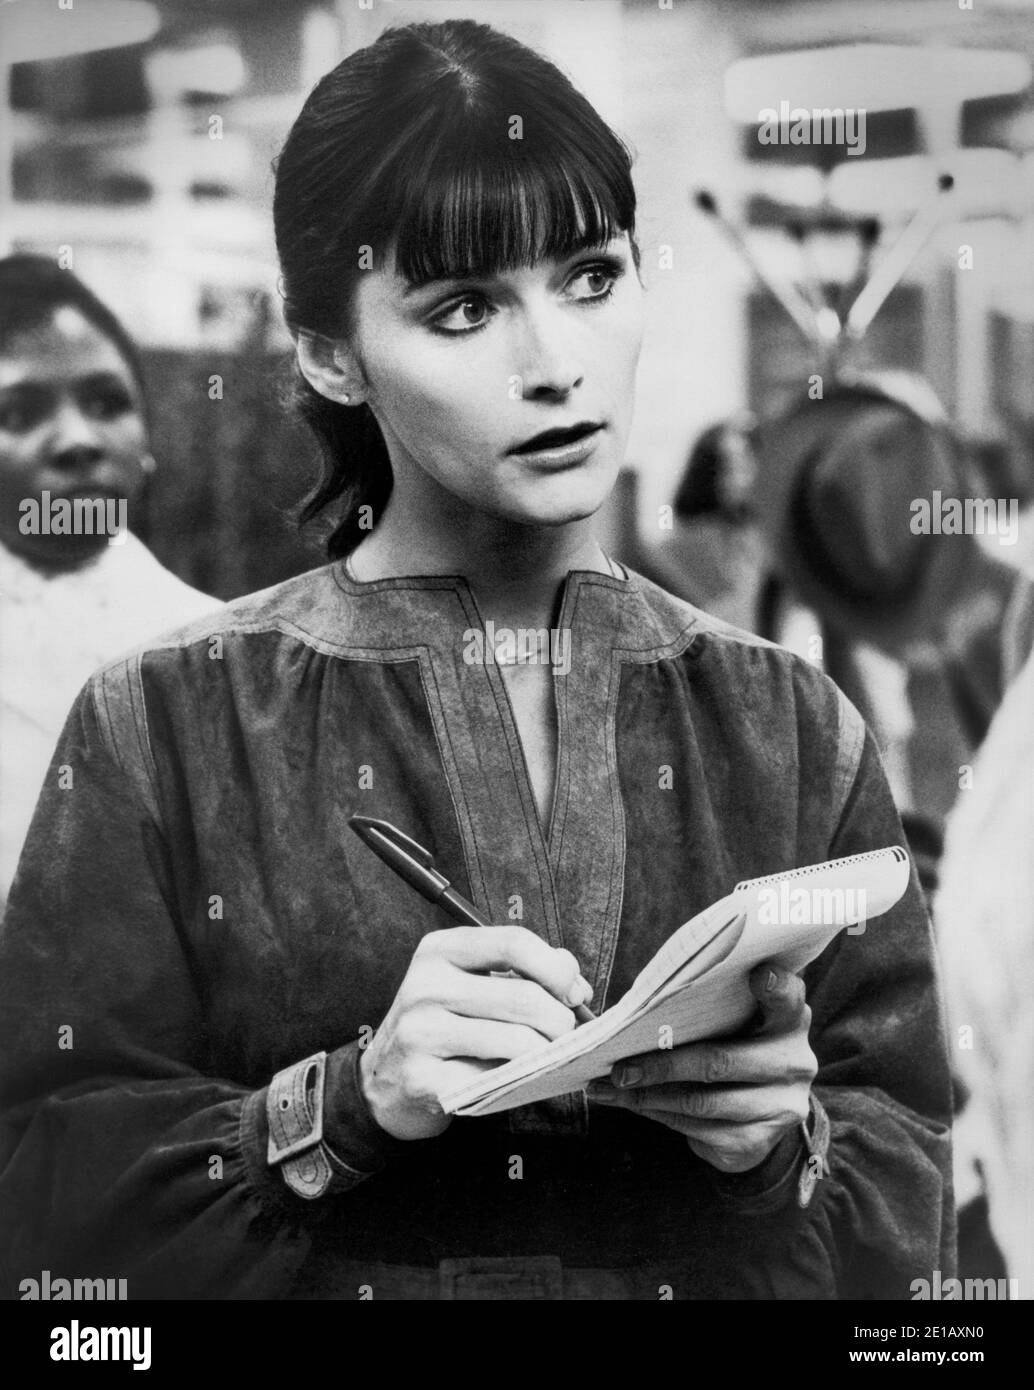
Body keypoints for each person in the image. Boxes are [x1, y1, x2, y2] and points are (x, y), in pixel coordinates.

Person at [0, 19, 952, 1301]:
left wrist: (783, 1153)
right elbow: (45, 1211)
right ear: (330, 353)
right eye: (462, 308)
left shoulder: (784, 721)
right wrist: (338, 1108)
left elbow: (915, 1205)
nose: (554, 363)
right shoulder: (164, 720)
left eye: (592, 276)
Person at [0, 255, 217, 909]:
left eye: (106, 403)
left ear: (148, 437)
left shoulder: (218, 648)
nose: (77, 441)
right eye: (20, 411)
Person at [637, 416, 768, 632]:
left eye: (748, 463)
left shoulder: (773, 542)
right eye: (730, 468)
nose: (744, 479)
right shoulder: (674, 553)